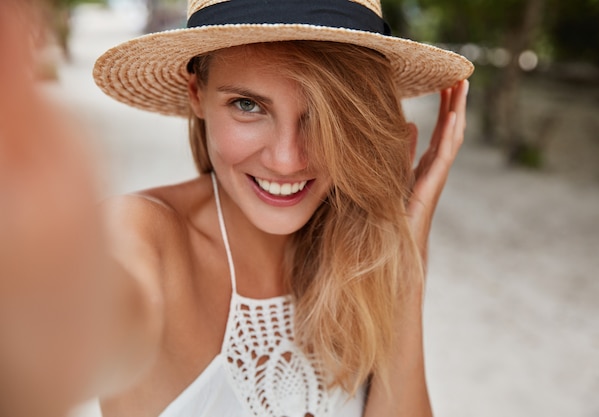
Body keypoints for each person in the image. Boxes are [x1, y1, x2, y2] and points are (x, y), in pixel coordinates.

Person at [95, 0, 471, 416]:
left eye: (325, 115)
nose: (287, 160)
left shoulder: (355, 251)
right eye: (247, 105)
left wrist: (406, 241)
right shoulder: (140, 233)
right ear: (196, 94)